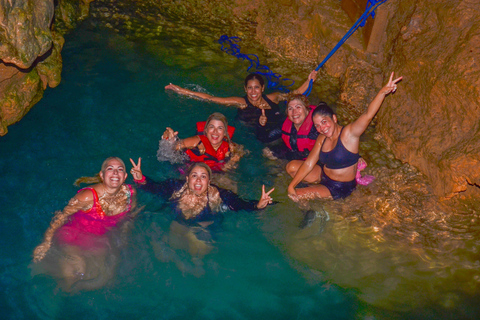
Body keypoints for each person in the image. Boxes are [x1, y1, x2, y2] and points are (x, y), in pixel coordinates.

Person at [287, 72, 402, 200]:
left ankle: (312, 212)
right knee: (291, 168)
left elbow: (368, 115)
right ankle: (313, 191)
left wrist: (382, 93)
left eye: (324, 122)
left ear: (334, 119)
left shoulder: (349, 134)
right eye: (317, 126)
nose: (322, 128)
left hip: (339, 187)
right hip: (323, 176)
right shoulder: (321, 138)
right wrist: (291, 186)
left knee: (297, 196)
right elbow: (308, 163)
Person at [129, 158, 274, 258]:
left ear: (209, 182)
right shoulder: (174, 187)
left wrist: (258, 205)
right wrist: (141, 178)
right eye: (194, 175)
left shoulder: (219, 194)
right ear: (187, 179)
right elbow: (155, 188)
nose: (198, 180)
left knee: (198, 255)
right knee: (173, 247)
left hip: (206, 225)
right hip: (179, 221)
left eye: (203, 176)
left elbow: (240, 204)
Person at [32, 157, 137, 291]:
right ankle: (59, 294)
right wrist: (46, 242)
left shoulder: (130, 193)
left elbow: (130, 217)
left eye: (120, 170)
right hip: (73, 236)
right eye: (110, 169)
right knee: (77, 272)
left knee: (106, 275)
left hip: (97, 240)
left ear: (125, 176)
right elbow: (61, 216)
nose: (115, 173)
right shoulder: (87, 196)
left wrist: (123, 237)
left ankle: (73, 294)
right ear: (102, 175)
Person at [165, 71, 318, 143]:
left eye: (256, 88)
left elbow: (295, 93)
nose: (253, 92)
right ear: (245, 89)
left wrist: (310, 80)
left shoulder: (274, 97)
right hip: (253, 135)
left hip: (278, 131)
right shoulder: (240, 102)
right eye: (249, 88)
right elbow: (211, 98)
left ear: (262, 88)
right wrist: (180, 90)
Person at [160, 112, 244, 171]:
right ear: (206, 130)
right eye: (212, 127)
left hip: (216, 175)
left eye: (220, 128)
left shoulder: (230, 147)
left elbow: (242, 150)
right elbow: (171, 148)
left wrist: (232, 161)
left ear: (225, 132)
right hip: (191, 173)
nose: (215, 132)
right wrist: (169, 139)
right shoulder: (196, 141)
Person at [263, 93, 319, 161]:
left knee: (292, 167)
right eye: (290, 108)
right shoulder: (284, 124)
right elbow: (264, 138)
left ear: (307, 110)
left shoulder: (317, 127)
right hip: (293, 153)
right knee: (267, 151)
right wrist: (261, 124)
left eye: (298, 107)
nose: (294, 112)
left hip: (315, 161)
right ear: (287, 113)